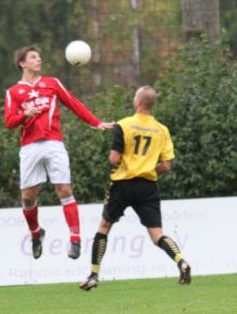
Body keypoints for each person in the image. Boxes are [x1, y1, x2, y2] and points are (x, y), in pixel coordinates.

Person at [4, 45, 114, 261]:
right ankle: (36, 233)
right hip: (29, 147)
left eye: (39, 57)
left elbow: (73, 103)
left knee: (64, 190)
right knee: (27, 198)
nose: (38, 60)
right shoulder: (14, 92)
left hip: (54, 143)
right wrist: (25, 115)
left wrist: (96, 122)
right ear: (22, 64)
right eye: (33, 57)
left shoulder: (52, 83)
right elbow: (9, 122)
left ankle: (75, 240)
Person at [79, 86, 191, 291]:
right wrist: (147, 168)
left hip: (123, 184)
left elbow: (114, 158)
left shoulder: (124, 125)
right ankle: (181, 262)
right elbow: (166, 166)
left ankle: (94, 274)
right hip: (148, 186)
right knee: (157, 235)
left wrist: (120, 161)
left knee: (104, 226)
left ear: (138, 102)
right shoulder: (162, 129)